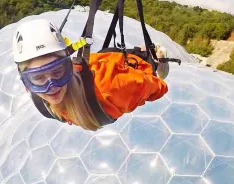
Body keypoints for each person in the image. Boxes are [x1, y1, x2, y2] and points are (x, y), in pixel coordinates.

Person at [12, 18, 170, 131]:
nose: (52, 86)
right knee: (102, 59)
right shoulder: (39, 99)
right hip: (96, 65)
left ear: (69, 66)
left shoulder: (112, 88)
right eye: (38, 77)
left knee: (141, 62)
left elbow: (159, 88)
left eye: (58, 71)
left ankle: (152, 57)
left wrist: (155, 74)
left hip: (123, 69)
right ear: (27, 84)